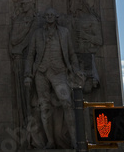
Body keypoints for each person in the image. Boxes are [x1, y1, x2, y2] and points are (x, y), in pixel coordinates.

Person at [24, 8, 82, 149]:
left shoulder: (64, 32)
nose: (49, 17)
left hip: (59, 72)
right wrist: (27, 75)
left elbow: (71, 53)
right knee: (44, 107)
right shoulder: (38, 34)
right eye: (47, 15)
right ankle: (50, 141)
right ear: (45, 17)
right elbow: (31, 55)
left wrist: (75, 69)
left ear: (56, 17)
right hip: (41, 72)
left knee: (67, 103)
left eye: (52, 15)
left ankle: (75, 139)